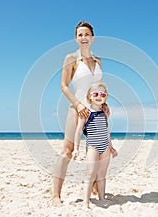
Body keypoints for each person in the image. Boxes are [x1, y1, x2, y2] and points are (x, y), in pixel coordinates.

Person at [52, 21, 117, 205]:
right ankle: (55, 195)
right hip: (77, 110)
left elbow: (98, 87)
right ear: (76, 39)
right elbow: (64, 86)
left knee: (100, 149)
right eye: (80, 35)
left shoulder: (99, 61)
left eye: (86, 34)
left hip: (96, 112)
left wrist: (105, 103)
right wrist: (78, 105)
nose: (83, 37)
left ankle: (96, 187)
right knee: (67, 151)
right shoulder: (70, 59)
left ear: (93, 37)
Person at [72, 81, 113, 208]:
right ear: (89, 96)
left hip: (105, 146)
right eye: (95, 94)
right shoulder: (86, 113)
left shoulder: (105, 112)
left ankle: (102, 198)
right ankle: (86, 201)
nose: (99, 96)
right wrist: (76, 149)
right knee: (90, 174)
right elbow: (78, 131)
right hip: (92, 147)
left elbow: (106, 130)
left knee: (102, 175)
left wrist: (111, 147)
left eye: (103, 94)